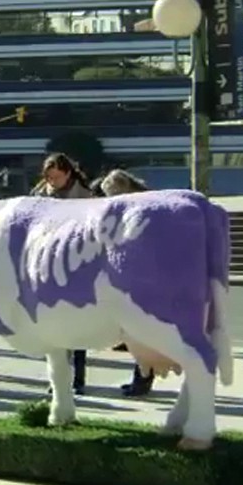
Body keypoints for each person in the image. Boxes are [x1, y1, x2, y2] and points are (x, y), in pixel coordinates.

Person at [31, 153, 93, 394]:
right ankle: (58, 379)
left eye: (56, 177)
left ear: (68, 173)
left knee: (77, 328)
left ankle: (78, 379)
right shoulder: (40, 193)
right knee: (54, 326)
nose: (52, 182)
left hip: (78, 265)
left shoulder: (85, 195)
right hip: (48, 263)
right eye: (48, 177)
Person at [97, 169, 156, 397]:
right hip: (141, 278)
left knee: (141, 333)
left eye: (110, 195)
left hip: (141, 280)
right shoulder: (145, 205)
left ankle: (142, 381)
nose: (108, 200)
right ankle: (142, 378)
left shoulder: (136, 211)